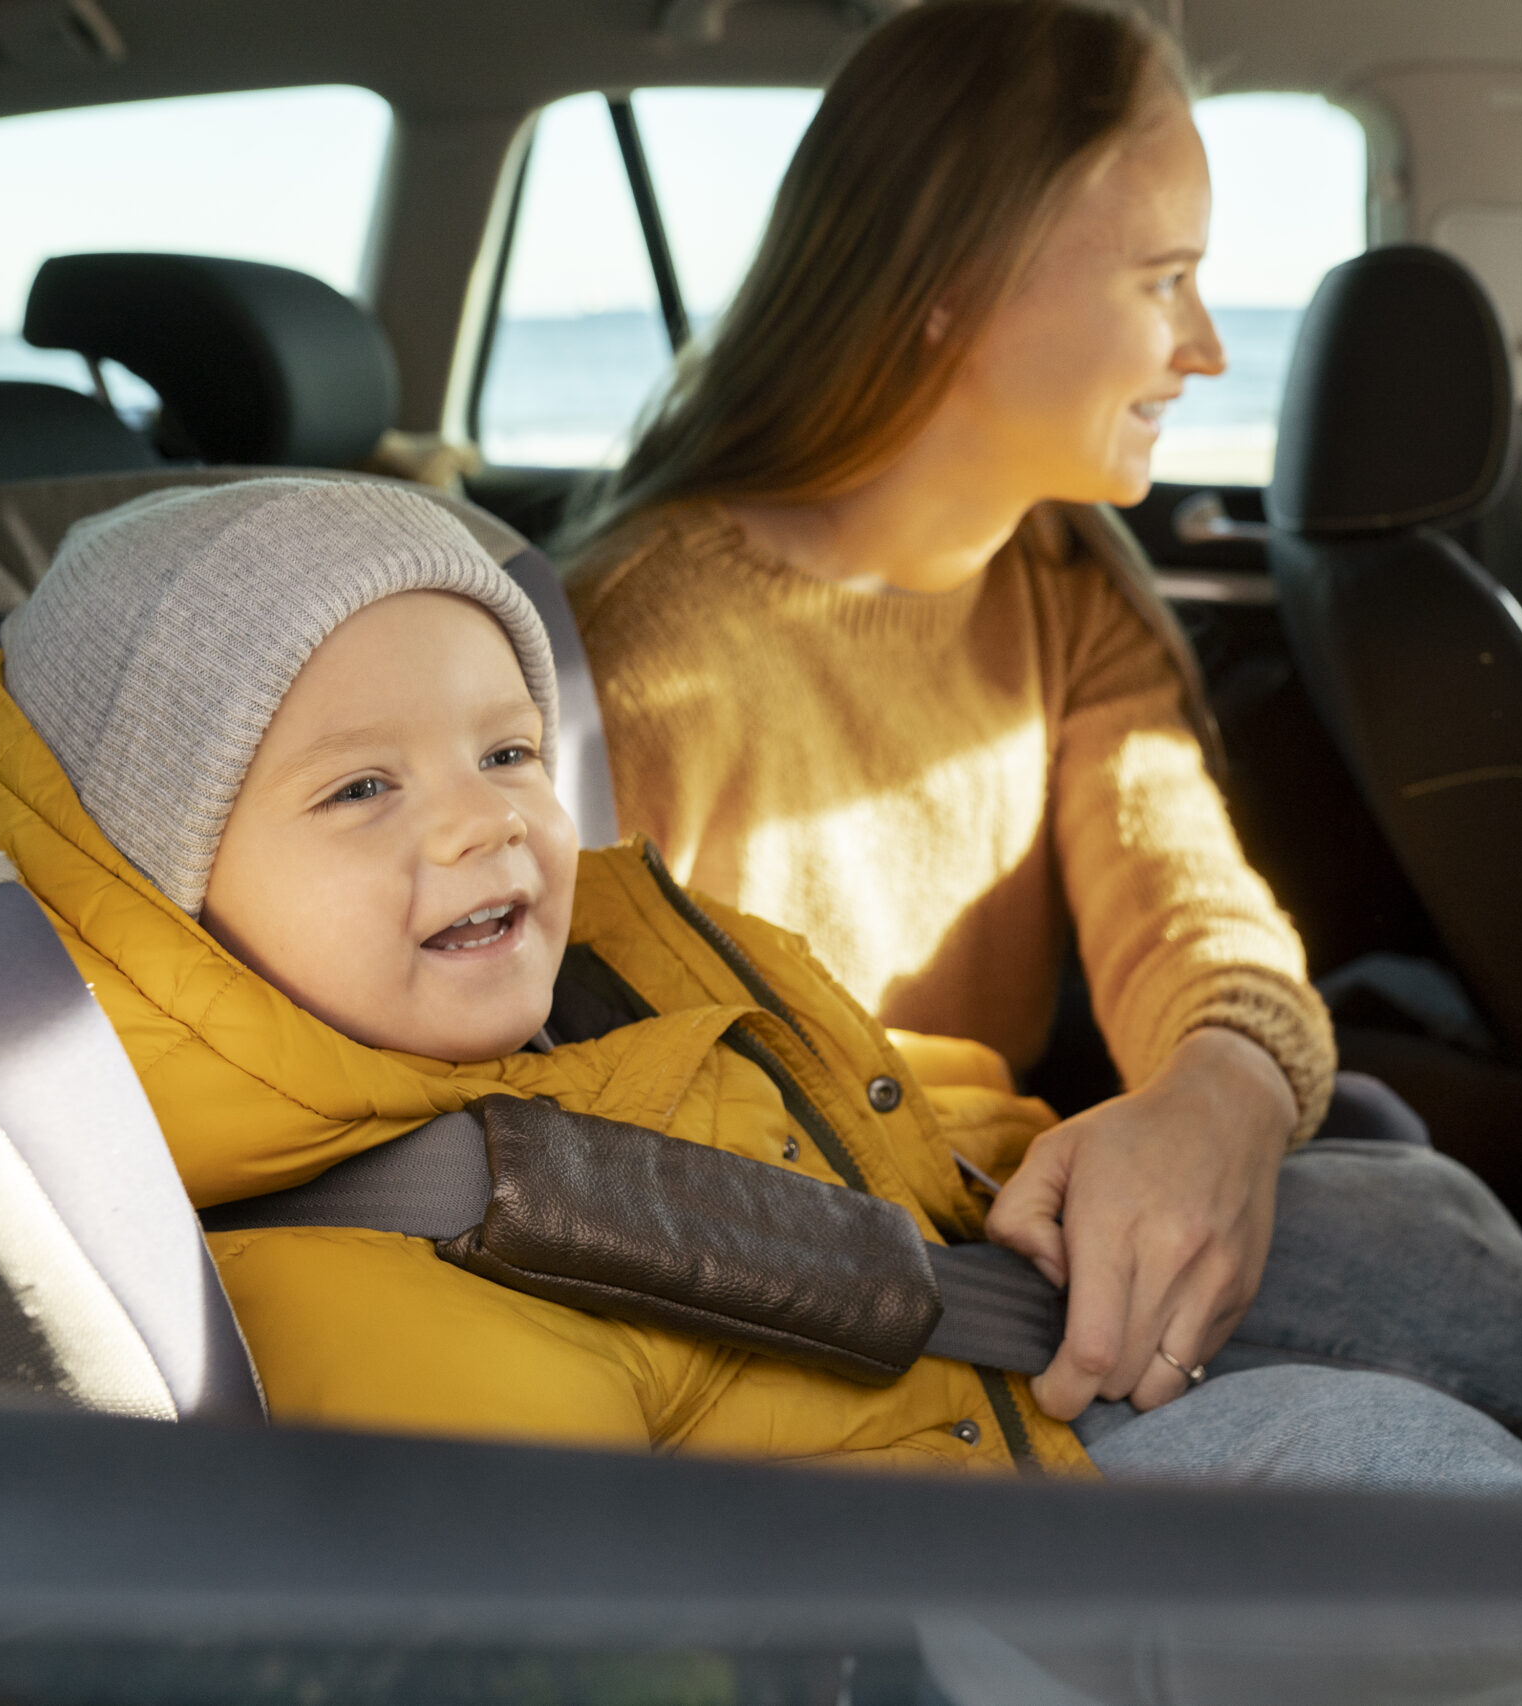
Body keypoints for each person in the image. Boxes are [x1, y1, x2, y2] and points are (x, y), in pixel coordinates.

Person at [0, 475, 1522, 1497]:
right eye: (358, 789)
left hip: (969, 1327)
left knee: (1369, 1176)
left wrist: (1090, 1135)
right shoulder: (354, 1262)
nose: (478, 828)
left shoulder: (630, 948)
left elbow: (866, 1087)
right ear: (158, 879)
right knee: (1377, 1464)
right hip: (951, 1551)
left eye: (497, 753)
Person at [561, 0, 1343, 1427]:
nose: (1210, 347)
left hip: (1010, 1226)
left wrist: (1227, 1082)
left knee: (1394, 1202)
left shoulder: (1062, 585)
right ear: (953, 282)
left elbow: (1185, 900)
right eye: (1164, 279)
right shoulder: (633, 663)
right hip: (836, 1324)